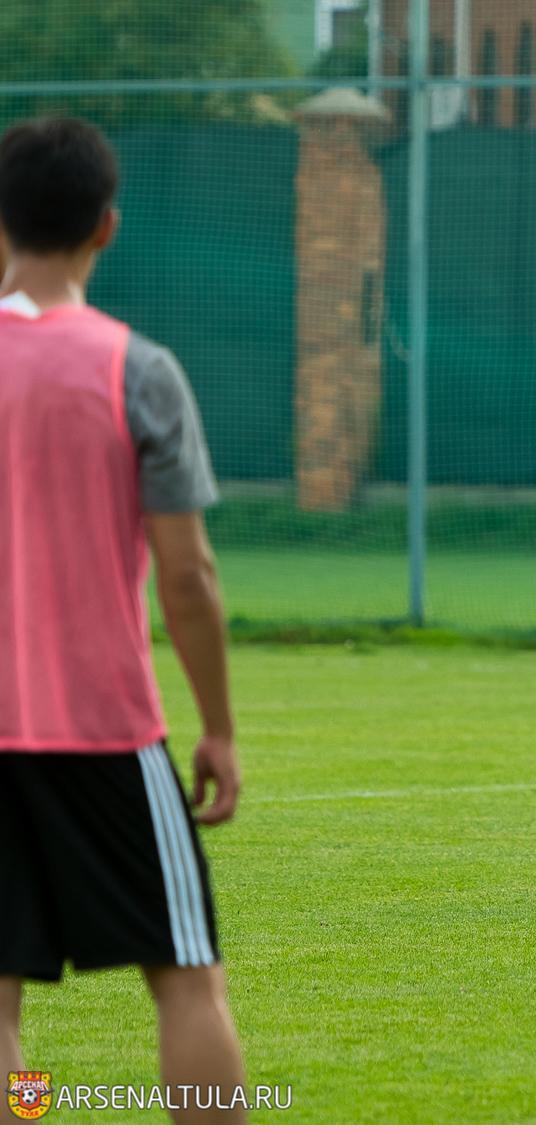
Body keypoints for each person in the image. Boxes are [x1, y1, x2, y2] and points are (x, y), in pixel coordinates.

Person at [0, 117, 247, 1123]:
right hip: (102, 729)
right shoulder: (137, 370)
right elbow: (187, 575)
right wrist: (218, 727)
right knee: (186, 978)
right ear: (107, 226)